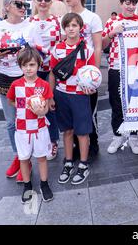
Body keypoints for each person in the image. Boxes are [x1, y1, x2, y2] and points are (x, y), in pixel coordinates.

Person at [0, 0, 42, 183]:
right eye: (19, 4)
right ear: (7, 6)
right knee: (11, 123)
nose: (23, 8)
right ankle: (19, 156)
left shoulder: (31, 27)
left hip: (25, 79)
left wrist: (27, 52)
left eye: (25, 5)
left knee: (26, 120)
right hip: (4, 79)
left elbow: (39, 55)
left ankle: (25, 162)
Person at [49, 13, 96, 185]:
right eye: (68, 25)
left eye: (74, 25)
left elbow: (93, 74)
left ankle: (83, 164)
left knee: (82, 132)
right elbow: (53, 73)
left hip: (80, 96)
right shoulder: (57, 49)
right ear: (64, 28)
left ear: (80, 28)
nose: (71, 28)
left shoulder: (88, 50)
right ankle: (68, 162)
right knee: (67, 131)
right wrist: (50, 96)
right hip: (61, 95)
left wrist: (91, 88)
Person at [6, 47, 54, 203]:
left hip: (40, 128)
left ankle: (44, 184)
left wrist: (41, 111)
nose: (28, 68)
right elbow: (11, 100)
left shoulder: (44, 85)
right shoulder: (15, 85)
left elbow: (46, 108)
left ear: (38, 65)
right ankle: (27, 186)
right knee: (24, 159)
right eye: (25, 65)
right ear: (20, 66)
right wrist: (24, 107)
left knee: (41, 158)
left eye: (32, 65)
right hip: (22, 130)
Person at [63, 0, 103, 160]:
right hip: (69, 75)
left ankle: (92, 145)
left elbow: (97, 47)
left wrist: (93, 75)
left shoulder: (92, 17)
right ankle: (74, 149)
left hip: (86, 73)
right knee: (72, 115)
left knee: (89, 112)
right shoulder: (63, 19)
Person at [102, 0, 138, 155]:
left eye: (133, 3)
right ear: (121, 4)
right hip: (116, 69)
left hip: (134, 69)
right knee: (116, 104)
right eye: (127, 3)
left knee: (134, 105)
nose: (130, 6)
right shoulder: (112, 21)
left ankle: (133, 137)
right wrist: (113, 32)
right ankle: (117, 136)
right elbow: (103, 43)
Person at [30, 0, 61, 161]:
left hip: (51, 72)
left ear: (51, 2)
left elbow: (59, 46)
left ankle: (53, 141)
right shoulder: (29, 22)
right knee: (34, 107)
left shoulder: (57, 22)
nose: (43, 2)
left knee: (50, 107)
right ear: (34, 1)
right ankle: (38, 142)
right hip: (34, 73)